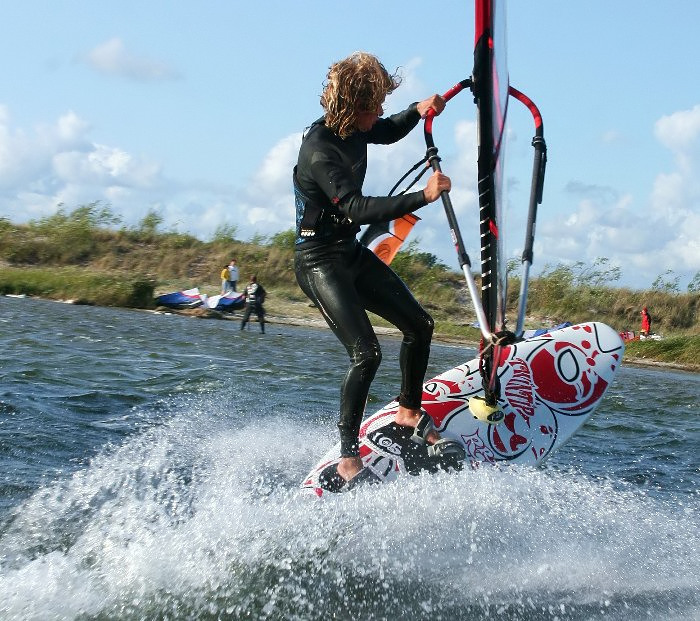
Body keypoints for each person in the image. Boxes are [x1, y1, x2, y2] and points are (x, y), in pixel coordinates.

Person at [293, 51, 464, 490]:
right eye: (376, 104)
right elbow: (354, 208)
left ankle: (408, 414)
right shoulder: (319, 151)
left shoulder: (356, 129)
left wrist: (417, 110)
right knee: (366, 353)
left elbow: (385, 132)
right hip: (318, 263)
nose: (382, 110)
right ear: (352, 106)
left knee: (420, 325)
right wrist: (421, 198)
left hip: (348, 254)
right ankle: (349, 460)